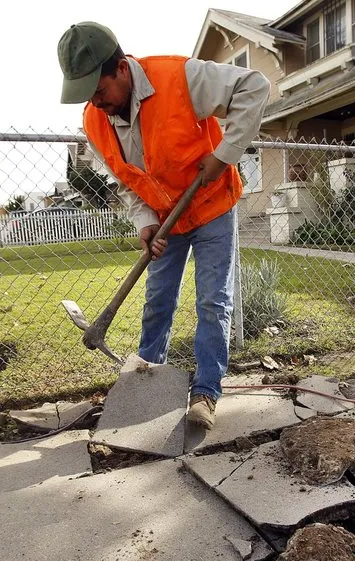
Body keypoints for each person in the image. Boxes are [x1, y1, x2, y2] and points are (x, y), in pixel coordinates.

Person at [57, 22, 270, 430]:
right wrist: (146, 222)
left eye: (99, 90)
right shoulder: (95, 121)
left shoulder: (180, 78)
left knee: (213, 301)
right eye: (87, 96)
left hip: (210, 206)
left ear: (121, 68)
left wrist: (224, 154)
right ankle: (147, 382)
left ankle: (206, 393)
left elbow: (255, 87)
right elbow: (126, 181)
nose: (96, 102)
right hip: (165, 218)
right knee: (158, 300)